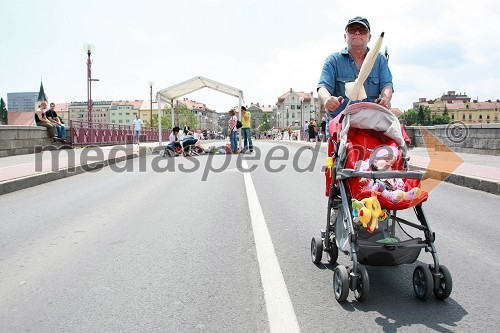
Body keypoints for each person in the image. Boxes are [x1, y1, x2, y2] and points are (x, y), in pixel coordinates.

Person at [317, 16, 393, 138]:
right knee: (338, 156)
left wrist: (385, 99)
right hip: (341, 124)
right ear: (345, 36)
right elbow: (323, 87)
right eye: (352, 30)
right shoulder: (333, 61)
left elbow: (387, 85)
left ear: (369, 37)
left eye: (362, 30)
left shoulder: (380, 60)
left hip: (372, 124)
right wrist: (327, 100)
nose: (357, 32)